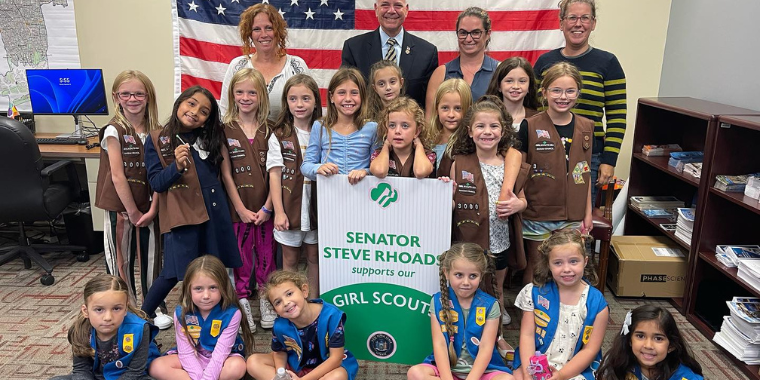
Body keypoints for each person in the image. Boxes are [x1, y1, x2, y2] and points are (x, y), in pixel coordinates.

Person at [140, 86, 242, 320]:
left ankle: (225, 322)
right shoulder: (157, 139)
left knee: (215, 270)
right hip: (182, 215)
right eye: (191, 103)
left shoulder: (210, 138)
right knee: (173, 272)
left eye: (204, 111)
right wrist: (176, 167)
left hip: (213, 213)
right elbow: (156, 182)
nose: (195, 112)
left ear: (207, 121)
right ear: (180, 103)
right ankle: (141, 318)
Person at [93, 70, 172, 329]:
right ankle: (124, 307)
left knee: (152, 258)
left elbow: (161, 174)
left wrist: (152, 209)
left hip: (151, 206)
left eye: (138, 93)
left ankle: (154, 307)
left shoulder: (157, 131)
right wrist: (132, 211)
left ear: (148, 96)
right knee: (122, 261)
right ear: (116, 97)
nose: (132, 98)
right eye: (125, 94)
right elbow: (117, 176)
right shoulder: (114, 131)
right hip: (121, 208)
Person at [533, 0, 626, 203]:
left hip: (588, 155)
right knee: (544, 209)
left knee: (579, 215)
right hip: (545, 152)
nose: (578, 24)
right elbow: (533, 110)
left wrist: (609, 161)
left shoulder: (608, 63)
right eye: (572, 17)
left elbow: (617, 117)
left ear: (593, 23)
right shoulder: (544, 63)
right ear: (561, 23)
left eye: (585, 18)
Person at [447, 95, 526, 326]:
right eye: (480, 126)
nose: (487, 132)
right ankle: (467, 318)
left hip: (499, 239)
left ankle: (497, 314)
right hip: (469, 238)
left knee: (496, 283)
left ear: (503, 131)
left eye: (494, 126)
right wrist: (447, 194)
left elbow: (523, 200)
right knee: (469, 281)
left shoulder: (508, 164)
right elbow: (451, 205)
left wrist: (517, 205)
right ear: (470, 131)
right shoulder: (459, 164)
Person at [516, 62, 594, 285]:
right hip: (538, 213)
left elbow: (584, 174)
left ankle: (561, 313)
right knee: (536, 267)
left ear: (578, 93)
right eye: (556, 90)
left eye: (570, 91)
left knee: (567, 270)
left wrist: (587, 212)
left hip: (573, 216)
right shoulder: (529, 126)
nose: (563, 97)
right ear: (544, 92)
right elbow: (519, 171)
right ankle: (529, 313)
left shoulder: (587, 127)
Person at [219, 68, 276, 332]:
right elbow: (226, 174)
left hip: (266, 209)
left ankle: (266, 300)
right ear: (232, 95)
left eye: (252, 92)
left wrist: (268, 206)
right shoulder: (224, 130)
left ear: (261, 96)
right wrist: (240, 208)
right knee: (241, 258)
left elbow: (276, 173)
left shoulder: (271, 129)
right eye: (240, 92)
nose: (245, 97)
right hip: (237, 210)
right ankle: (242, 303)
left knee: (266, 257)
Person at [407, 243, 513, 380]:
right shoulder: (437, 301)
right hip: (448, 371)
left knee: (507, 379)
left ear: (481, 276)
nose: (466, 282)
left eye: (473, 276)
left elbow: (486, 348)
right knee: (415, 373)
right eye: (459, 275)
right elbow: (439, 344)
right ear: (446, 273)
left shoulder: (490, 305)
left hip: (482, 372)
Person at [513, 229, 609, 380]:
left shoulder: (597, 303)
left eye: (573, 261)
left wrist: (561, 375)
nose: (566, 269)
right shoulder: (534, 293)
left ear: (585, 261)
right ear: (548, 265)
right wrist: (527, 373)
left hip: (575, 367)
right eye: (558, 263)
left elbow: (590, 350)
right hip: (534, 362)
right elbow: (527, 336)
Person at [149, 256, 253, 380]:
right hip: (193, 357)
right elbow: (185, 352)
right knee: (156, 366)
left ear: (223, 287)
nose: (206, 295)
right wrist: (199, 377)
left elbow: (221, 354)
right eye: (198, 288)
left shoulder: (232, 314)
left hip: (224, 358)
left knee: (237, 367)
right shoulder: (181, 313)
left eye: (213, 287)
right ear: (189, 289)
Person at [267, 74, 323, 298]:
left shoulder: (325, 131)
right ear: (286, 102)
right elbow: (274, 175)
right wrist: (278, 212)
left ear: (316, 102)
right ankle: (288, 302)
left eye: (306, 98)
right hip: (290, 207)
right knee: (289, 259)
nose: (299, 104)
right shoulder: (279, 135)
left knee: (314, 257)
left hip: (318, 206)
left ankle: (313, 301)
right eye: (293, 99)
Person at [246, 270, 359, 380]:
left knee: (337, 376)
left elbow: (336, 358)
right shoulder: (280, 325)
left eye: (289, 294)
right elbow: (280, 352)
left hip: (326, 367)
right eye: (278, 302)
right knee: (253, 362)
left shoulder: (331, 316)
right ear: (276, 311)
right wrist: (281, 373)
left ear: (304, 291)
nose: (286, 303)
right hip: (296, 365)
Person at [50, 275, 159, 380]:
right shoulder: (80, 330)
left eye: (116, 308)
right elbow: (81, 369)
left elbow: (135, 371)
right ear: (85, 311)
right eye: (99, 310)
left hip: (131, 376)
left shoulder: (140, 329)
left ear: (126, 308)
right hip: (97, 375)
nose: (108, 317)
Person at [341, 0, 438, 108]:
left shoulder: (427, 53)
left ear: (406, 10)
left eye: (397, 5)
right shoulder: (354, 48)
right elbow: (346, 93)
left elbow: (430, 105)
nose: (391, 11)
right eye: (385, 5)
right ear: (376, 9)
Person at [219, 3, 310, 118]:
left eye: (269, 28)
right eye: (257, 29)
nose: (264, 34)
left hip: (289, 135)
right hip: (244, 135)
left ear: (278, 31)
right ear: (249, 34)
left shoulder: (296, 66)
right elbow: (225, 111)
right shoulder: (237, 66)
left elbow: (311, 108)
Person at [301, 68, 378, 185]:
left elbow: (379, 167)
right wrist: (318, 168)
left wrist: (365, 172)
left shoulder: (372, 128)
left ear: (362, 96)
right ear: (331, 97)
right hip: (329, 196)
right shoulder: (321, 127)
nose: (348, 98)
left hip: (363, 197)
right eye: (341, 93)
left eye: (354, 93)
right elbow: (306, 165)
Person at [425, 7, 498, 118]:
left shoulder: (500, 71)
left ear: (488, 34)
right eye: (463, 33)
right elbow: (430, 121)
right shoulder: (441, 73)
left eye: (476, 32)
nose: (468, 39)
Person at [597, 305, 704, 380]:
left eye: (658, 338)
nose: (648, 345)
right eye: (640, 336)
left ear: (671, 345)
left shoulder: (685, 377)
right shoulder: (617, 363)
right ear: (629, 340)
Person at [370, 96, 435, 178]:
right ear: (386, 130)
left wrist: (419, 146)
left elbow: (420, 172)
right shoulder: (379, 154)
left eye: (405, 126)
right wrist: (386, 146)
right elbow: (380, 171)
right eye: (392, 125)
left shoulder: (427, 155)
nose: (397, 131)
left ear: (416, 131)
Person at [429, 78, 472, 177]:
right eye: (445, 108)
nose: (451, 114)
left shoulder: (469, 144)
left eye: (458, 108)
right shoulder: (427, 141)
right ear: (436, 109)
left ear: (468, 109)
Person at [485, 57, 540, 132]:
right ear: (498, 86)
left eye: (522, 81)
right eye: (509, 81)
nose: (516, 86)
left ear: (529, 87)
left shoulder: (538, 119)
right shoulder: (486, 116)